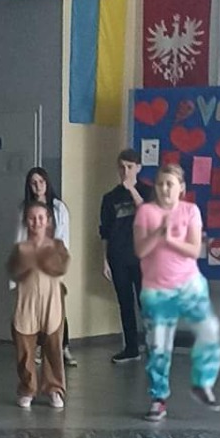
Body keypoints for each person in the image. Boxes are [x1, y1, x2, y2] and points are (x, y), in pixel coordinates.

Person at [134, 160, 220, 423]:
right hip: (156, 289)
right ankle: (158, 398)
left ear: (181, 187)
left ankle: (203, 383)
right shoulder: (146, 212)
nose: (164, 189)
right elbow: (140, 250)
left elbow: (194, 250)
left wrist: (170, 239)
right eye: (160, 184)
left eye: (170, 184)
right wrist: (158, 233)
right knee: (159, 346)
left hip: (189, 284)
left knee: (208, 331)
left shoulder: (190, 211)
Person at [8, 200, 69, 410]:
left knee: (53, 348)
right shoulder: (20, 249)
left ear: (48, 221)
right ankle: (27, 388)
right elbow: (14, 273)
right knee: (25, 349)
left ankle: (54, 388)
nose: (36, 222)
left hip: (52, 303)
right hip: (26, 303)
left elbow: (61, 269)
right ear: (27, 221)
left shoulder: (58, 247)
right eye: (32, 218)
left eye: (41, 218)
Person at [17, 167, 75, 366]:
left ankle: (63, 347)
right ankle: (39, 347)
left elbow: (64, 238)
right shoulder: (24, 208)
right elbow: (20, 238)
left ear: (47, 183)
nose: (38, 186)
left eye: (41, 182)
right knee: (35, 309)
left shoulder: (58, 208)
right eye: (34, 183)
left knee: (56, 307)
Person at [100, 148, 151, 363]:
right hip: (118, 256)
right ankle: (131, 348)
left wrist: (132, 190)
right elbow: (105, 231)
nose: (125, 171)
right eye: (121, 167)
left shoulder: (148, 192)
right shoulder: (110, 197)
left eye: (129, 167)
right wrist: (105, 259)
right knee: (125, 303)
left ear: (138, 168)